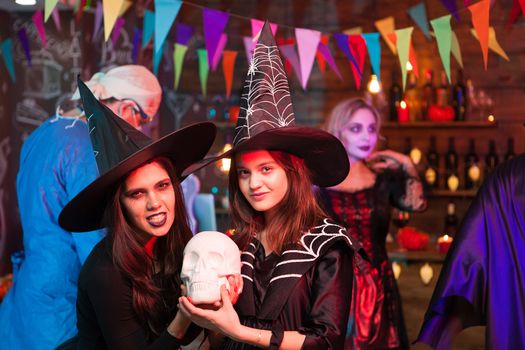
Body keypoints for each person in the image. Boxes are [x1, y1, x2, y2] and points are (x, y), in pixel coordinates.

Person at [177, 22, 365, 349]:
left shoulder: (328, 245)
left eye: (266, 169)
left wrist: (239, 331)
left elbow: (326, 340)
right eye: (244, 173)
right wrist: (205, 315)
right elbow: (220, 333)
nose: (254, 183)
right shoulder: (237, 243)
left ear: (292, 171)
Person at [0, 65, 163, 349]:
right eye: (144, 120)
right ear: (127, 110)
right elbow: (97, 247)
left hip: (25, 307)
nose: (140, 130)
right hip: (64, 311)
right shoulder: (89, 146)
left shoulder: (42, 133)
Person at [57, 77, 223, 348]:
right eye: (137, 193)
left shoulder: (176, 246)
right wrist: (184, 317)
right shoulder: (105, 271)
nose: (155, 203)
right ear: (120, 204)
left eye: (162, 186)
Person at [318, 97, 427, 350]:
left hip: (379, 286)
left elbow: (417, 204)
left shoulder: (383, 178)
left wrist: (407, 164)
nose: (366, 136)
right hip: (332, 287)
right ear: (338, 131)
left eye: (371, 129)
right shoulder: (318, 181)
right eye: (356, 129)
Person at [416, 154, 525, 349]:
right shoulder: (505, 180)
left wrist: (442, 334)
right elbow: (469, 258)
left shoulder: (505, 179)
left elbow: (468, 261)